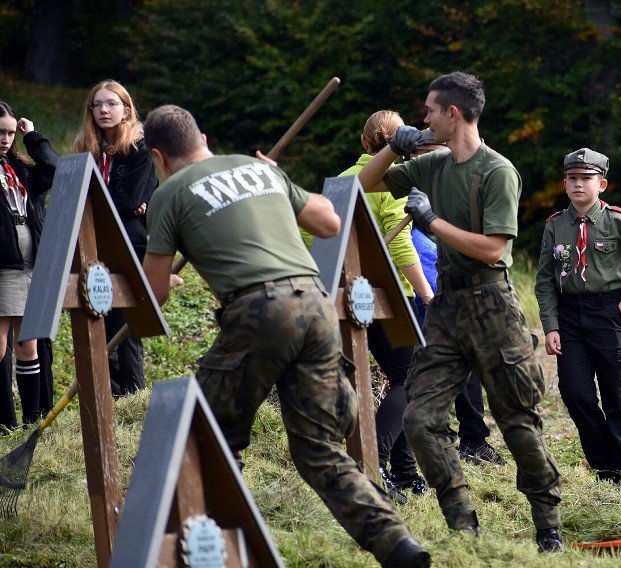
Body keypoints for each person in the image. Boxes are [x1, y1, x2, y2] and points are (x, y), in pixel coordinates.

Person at [142, 104, 430, 567]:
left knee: (206, 435)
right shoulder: (256, 170)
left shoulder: (170, 192)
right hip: (316, 305)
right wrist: (275, 181)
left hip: (258, 310)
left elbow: (150, 296)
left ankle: (209, 546)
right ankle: (397, 545)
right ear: (204, 139)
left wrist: (168, 281)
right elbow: (330, 222)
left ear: (157, 156)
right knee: (319, 450)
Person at [358, 71, 563, 553]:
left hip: (493, 304)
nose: (422, 118)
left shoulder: (497, 171)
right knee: (421, 418)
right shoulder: (433, 164)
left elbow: (493, 249)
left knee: (517, 423)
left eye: (428, 111)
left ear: (453, 114)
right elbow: (367, 183)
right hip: (447, 303)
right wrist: (395, 147)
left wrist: (432, 222)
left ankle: (548, 527)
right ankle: (463, 524)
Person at [534, 148, 621, 482]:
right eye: (572, 178)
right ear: (565, 184)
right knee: (575, 393)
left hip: (610, 311)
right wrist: (550, 325)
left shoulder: (617, 220)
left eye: (586, 178)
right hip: (569, 315)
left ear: (602, 184)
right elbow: (545, 281)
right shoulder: (555, 225)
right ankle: (605, 463)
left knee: (618, 392)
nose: (578, 184)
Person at [339, 109, 431, 501]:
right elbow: (398, 243)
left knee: (399, 379)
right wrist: (427, 293)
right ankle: (370, 464)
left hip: (345, 293)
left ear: (364, 143)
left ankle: (405, 472)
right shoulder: (391, 183)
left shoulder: (343, 180)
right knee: (411, 380)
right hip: (388, 296)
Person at [407, 141, 506, 467]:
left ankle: (474, 440)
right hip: (418, 294)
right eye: (427, 156)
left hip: (454, 292)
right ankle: (426, 443)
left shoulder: (454, 193)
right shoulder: (404, 194)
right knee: (420, 371)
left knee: (468, 369)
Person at [74, 80, 158, 398]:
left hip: (130, 245)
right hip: (93, 245)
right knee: (98, 316)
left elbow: (130, 197)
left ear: (126, 109)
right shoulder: (88, 150)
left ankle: (133, 395)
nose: (104, 110)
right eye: (98, 104)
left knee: (125, 323)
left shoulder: (139, 148)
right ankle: (108, 396)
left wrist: (104, 200)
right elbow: (87, 197)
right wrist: (117, 201)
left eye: (111, 103)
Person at [0, 102, 59, 428]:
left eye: (10, 132)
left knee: (28, 345)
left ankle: (33, 419)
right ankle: (4, 423)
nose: (6, 139)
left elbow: (55, 170)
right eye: (1, 132)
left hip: (29, 269)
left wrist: (32, 136)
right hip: (3, 270)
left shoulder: (18, 168)